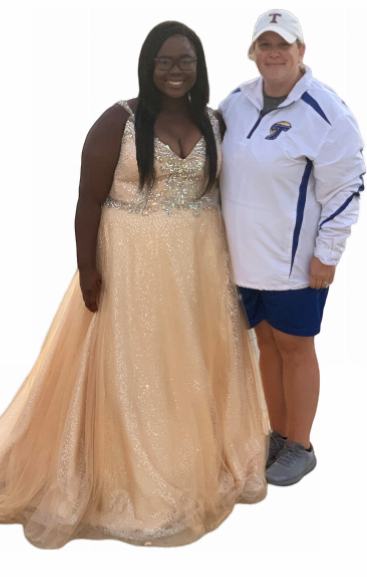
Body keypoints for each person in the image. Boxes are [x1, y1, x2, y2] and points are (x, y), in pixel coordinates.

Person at [0, 20, 271, 550]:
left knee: (192, 363)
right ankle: (137, 476)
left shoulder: (215, 120)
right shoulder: (117, 121)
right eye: (165, 61)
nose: (175, 71)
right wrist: (88, 269)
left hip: (200, 266)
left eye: (185, 61)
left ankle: (192, 458)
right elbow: (88, 202)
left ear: (200, 68)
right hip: (133, 263)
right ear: (147, 66)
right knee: (138, 366)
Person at [216, 9, 366, 487]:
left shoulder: (327, 111)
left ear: (302, 51)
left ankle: (300, 446)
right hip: (241, 260)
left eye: (284, 44)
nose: (274, 53)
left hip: (295, 263)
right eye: (265, 45)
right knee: (263, 343)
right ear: (253, 53)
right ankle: (275, 436)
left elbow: (347, 187)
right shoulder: (236, 100)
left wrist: (329, 254)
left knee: (295, 347)